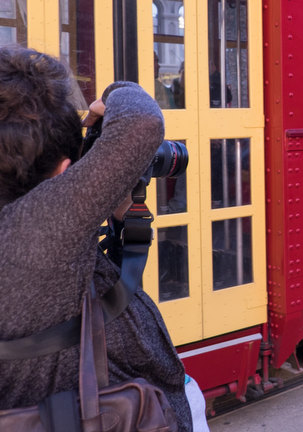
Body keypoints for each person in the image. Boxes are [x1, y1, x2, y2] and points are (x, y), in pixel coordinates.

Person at [0, 46, 192, 430]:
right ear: (63, 172)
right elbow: (141, 123)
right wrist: (113, 93)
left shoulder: (32, 230)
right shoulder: (32, 229)